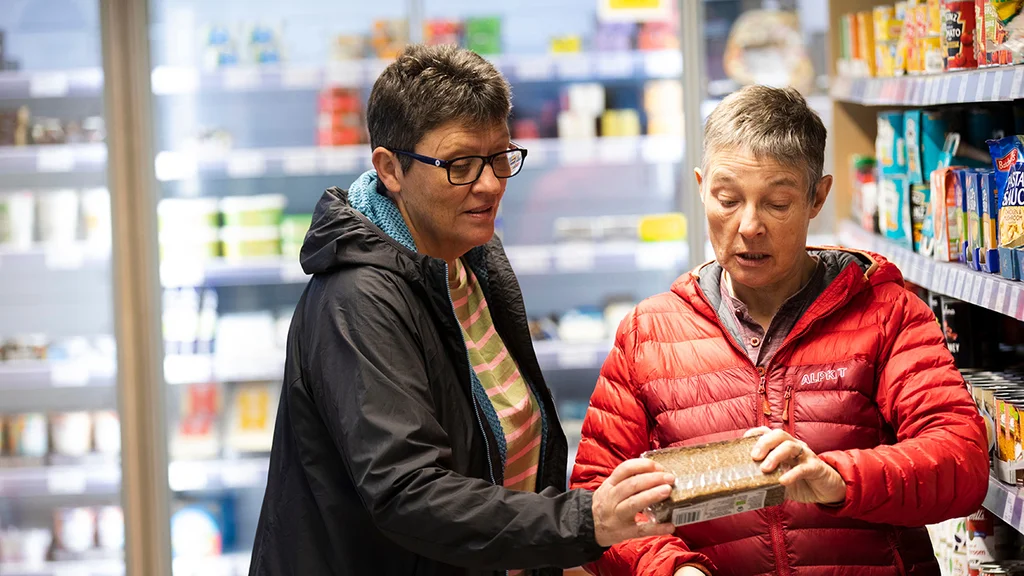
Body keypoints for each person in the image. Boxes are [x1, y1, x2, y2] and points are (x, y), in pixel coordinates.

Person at [248, 44, 679, 576]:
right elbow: (408, 491)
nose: (491, 183)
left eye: (500, 157)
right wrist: (580, 523)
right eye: (459, 164)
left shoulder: (467, 263)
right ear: (390, 169)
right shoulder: (356, 301)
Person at [570, 85, 989, 575]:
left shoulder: (888, 313)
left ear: (818, 197)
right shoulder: (648, 334)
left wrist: (838, 478)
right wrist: (668, 568)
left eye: (777, 203)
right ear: (702, 187)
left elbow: (961, 462)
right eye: (727, 199)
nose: (749, 225)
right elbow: (597, 500)